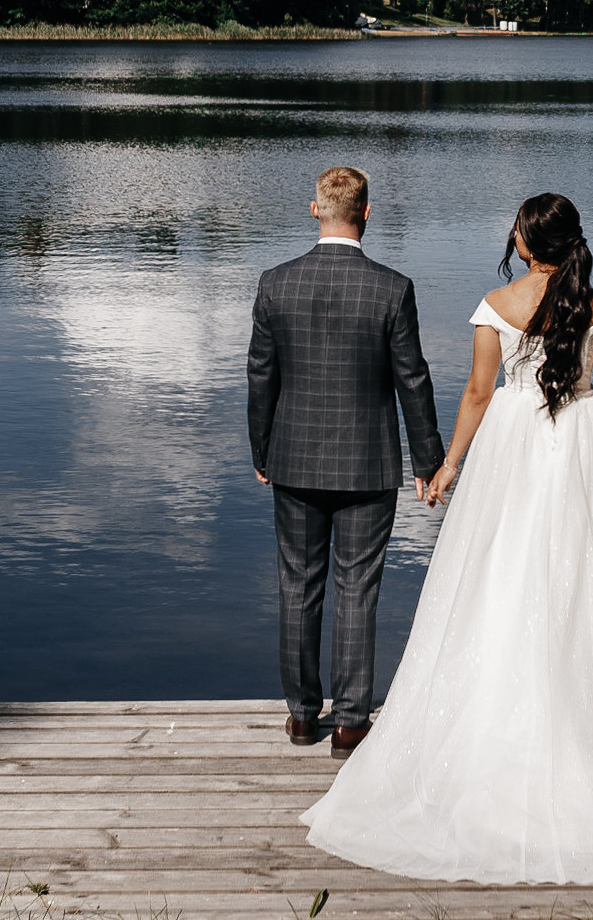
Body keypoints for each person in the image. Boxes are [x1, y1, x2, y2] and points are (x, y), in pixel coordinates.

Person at [301, 193, 593, 884]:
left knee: (496, 576)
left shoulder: (497, 303)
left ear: (525, 242)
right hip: (579, 448)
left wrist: (449, 465)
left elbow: (477, 394)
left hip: (510, 452)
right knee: (592, 583)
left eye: (516, 227)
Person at [246, 166, 446, 757]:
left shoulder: (274, 283)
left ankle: (303, 717)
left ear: (315, 211)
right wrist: (427, 460)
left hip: (294, 458)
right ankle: (352, 723)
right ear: (367, 213)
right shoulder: (392, 287)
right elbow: (413, 379)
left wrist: (262, 449)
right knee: (358, 588)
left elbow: (262, 376)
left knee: (297, 586)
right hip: (368, 462)